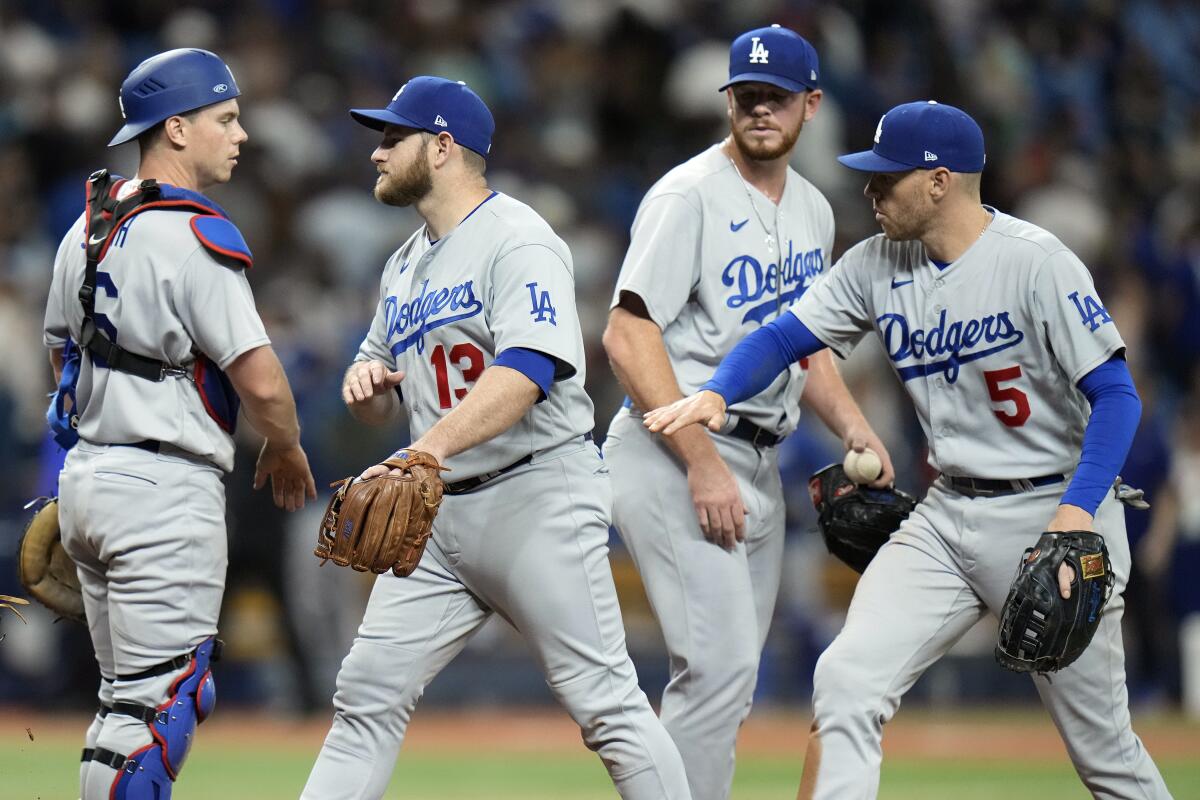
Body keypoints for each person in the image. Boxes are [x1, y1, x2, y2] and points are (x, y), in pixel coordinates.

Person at [645, 100, 1173, 799]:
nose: (870, 192)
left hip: (1054, 514)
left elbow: (1118, 396)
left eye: (885, 179)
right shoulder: (875, 262)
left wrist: (1077, 511)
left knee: (1103, 750)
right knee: (845, 682)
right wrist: (717, 392)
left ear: (939, 181)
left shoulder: (1037, 264)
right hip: (947, 515)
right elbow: (781, 338)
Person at [300, 76, 692, 800]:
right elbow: (378, 376)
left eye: (394, 138)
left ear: (443, 146)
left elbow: (529, 369)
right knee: (365, 697)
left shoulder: (518, 237)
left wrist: (427, 448)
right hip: (439, 510)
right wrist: (367, 385)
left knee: (605, 706)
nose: (378, 154)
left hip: (535, 494)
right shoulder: (403, 264)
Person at [600, 24, 892, 800]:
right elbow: (627, 337)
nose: (761, 110)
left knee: (727, 684)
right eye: (748, 96)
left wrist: (853, 424)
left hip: (758, 458)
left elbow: (804, 343)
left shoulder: (814, 211)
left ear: (811, 105)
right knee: (719, 670)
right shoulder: (687, 195)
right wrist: (699, 462)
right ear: (728, 100)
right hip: (674, 450)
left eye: (777, 98)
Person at [43, 48, 316, 800]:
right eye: (225, 118)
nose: (241, 134)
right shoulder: (193, 234)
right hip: (163, 489)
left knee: (121, 706)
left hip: (92, 480)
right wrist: (287, 449)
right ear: (175, 129)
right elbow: (261, 381)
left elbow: (62, 364)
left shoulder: (84, 231)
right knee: (166, 705)